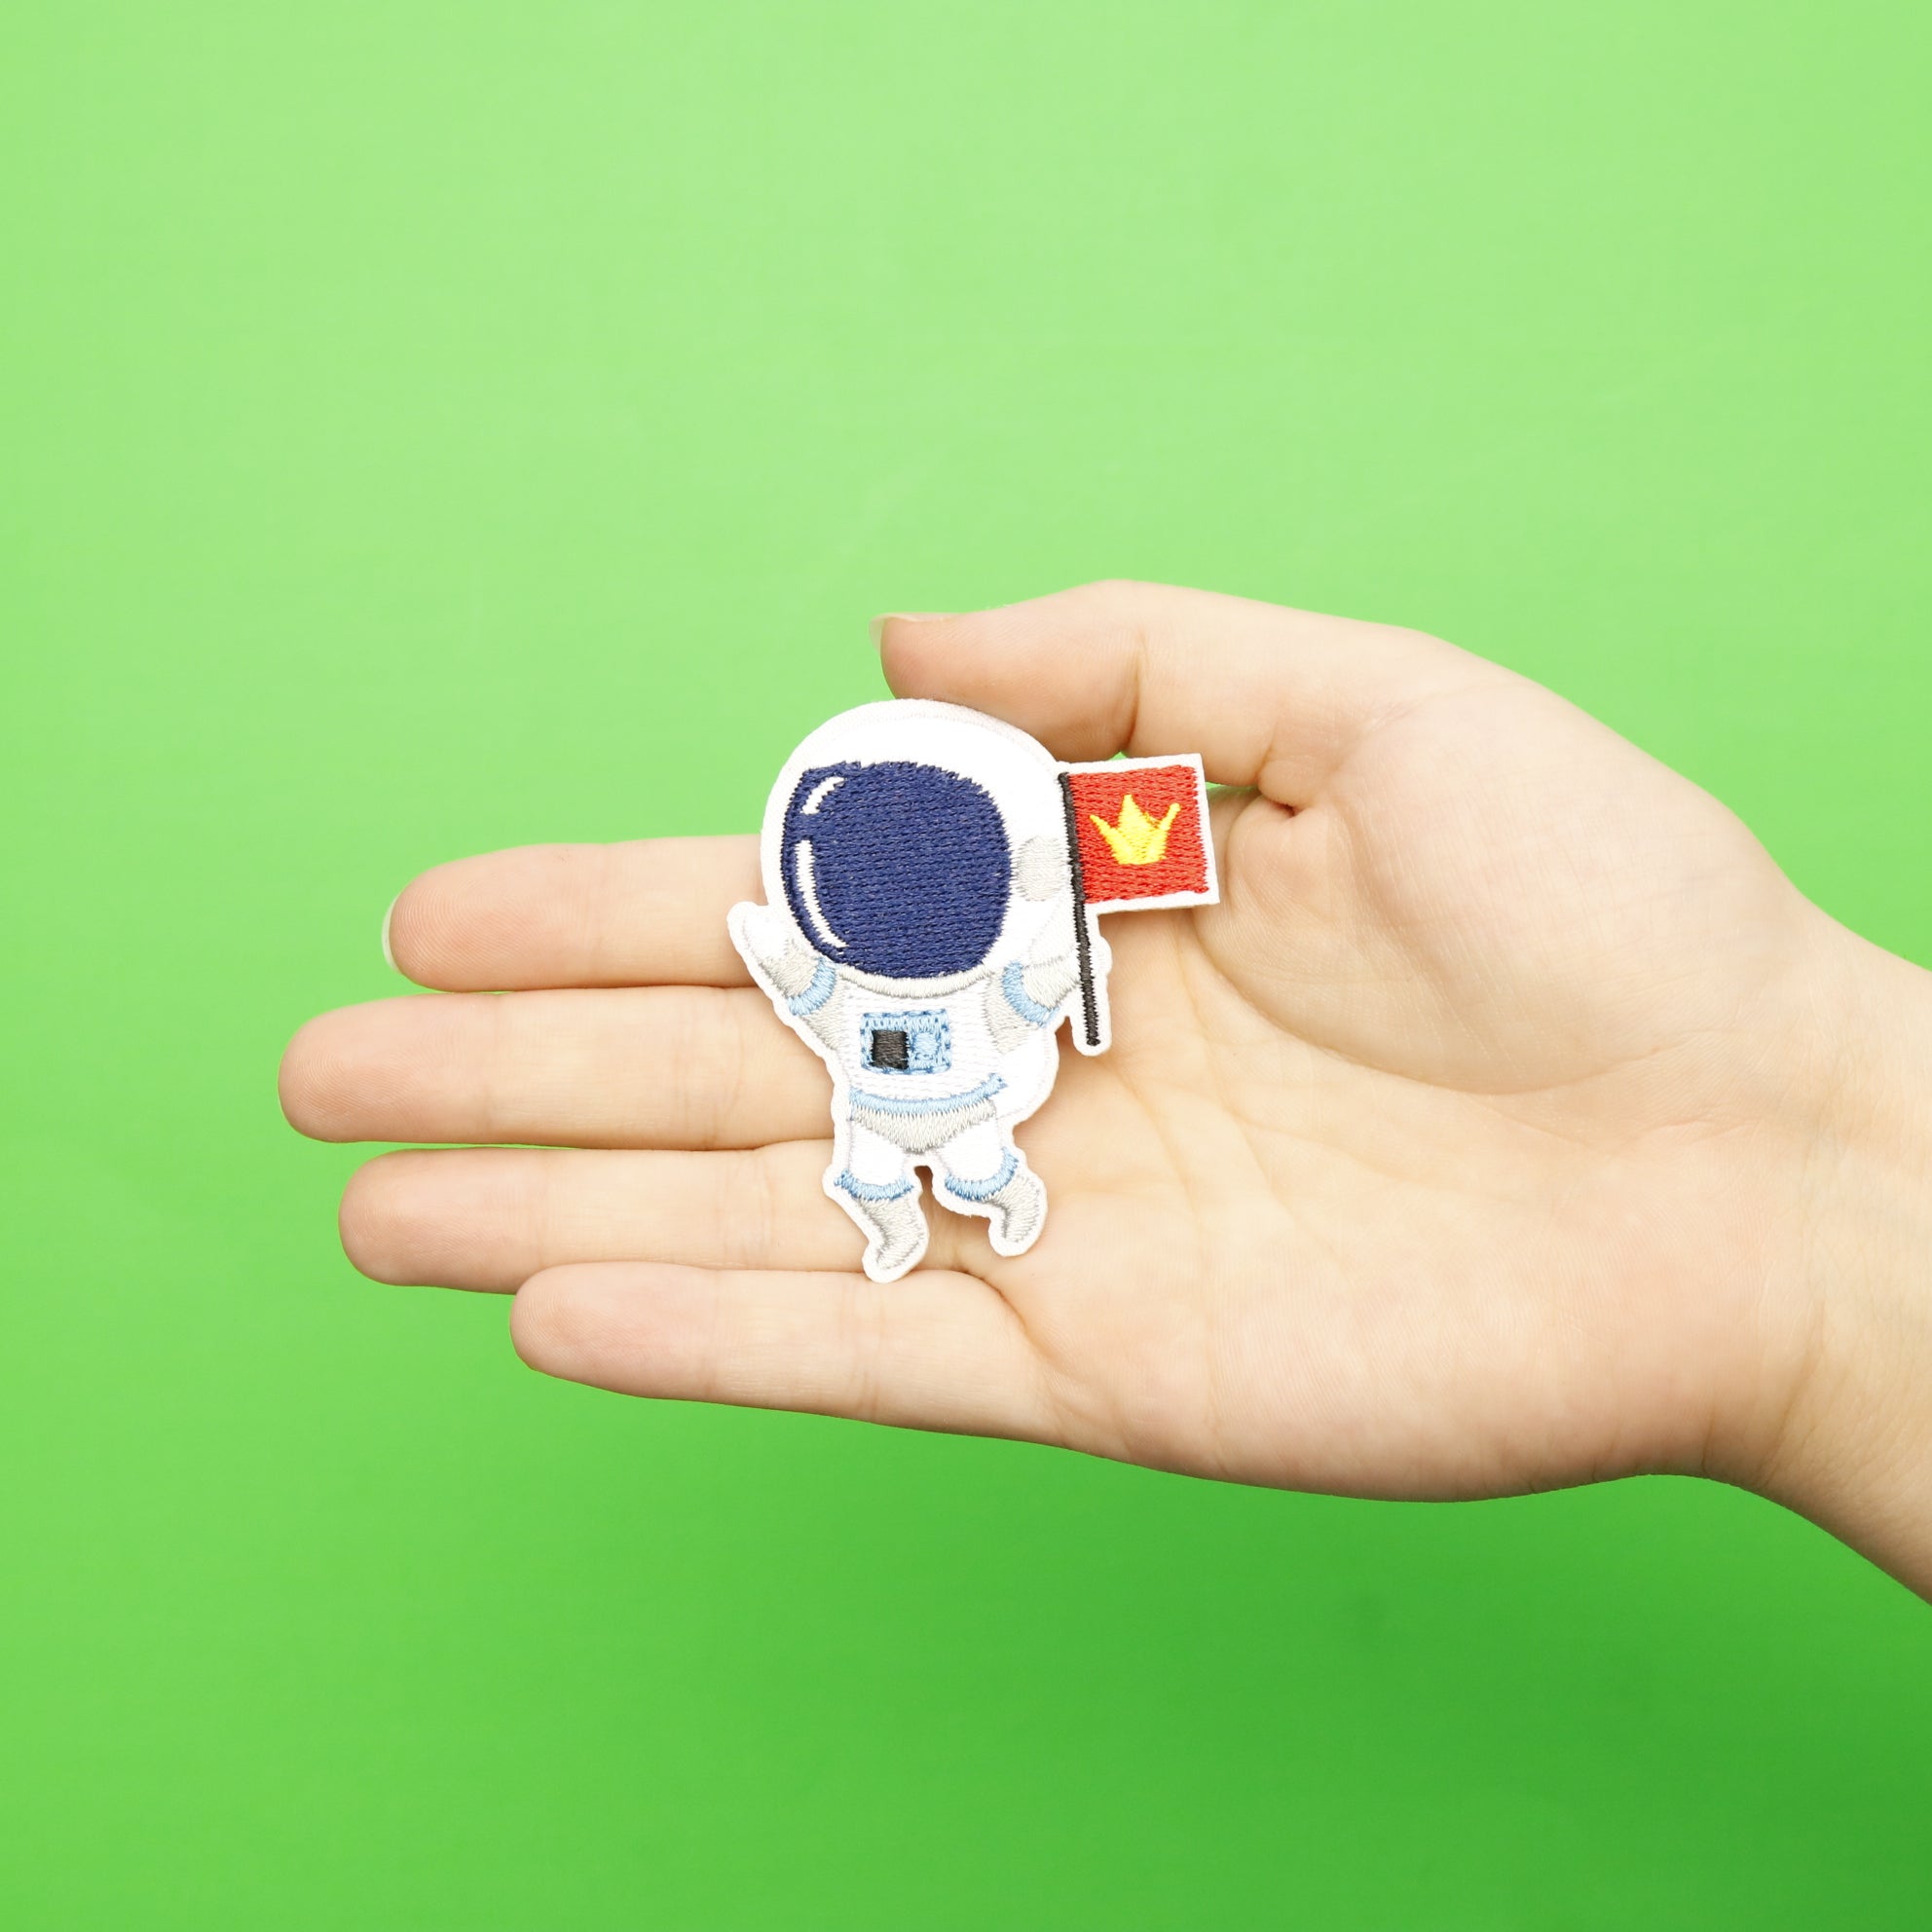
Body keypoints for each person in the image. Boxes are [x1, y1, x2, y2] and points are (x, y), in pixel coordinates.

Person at [278, 581, 1932, 1598]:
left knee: (971, 1154)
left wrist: (1049, 986)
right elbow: (801, 969)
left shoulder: (1007, 943)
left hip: (976, 1101)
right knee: (886, 1153)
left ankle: (970, 1190)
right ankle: (913, 1196)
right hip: (876, 1102)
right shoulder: (849, 965)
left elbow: (1010, 969)